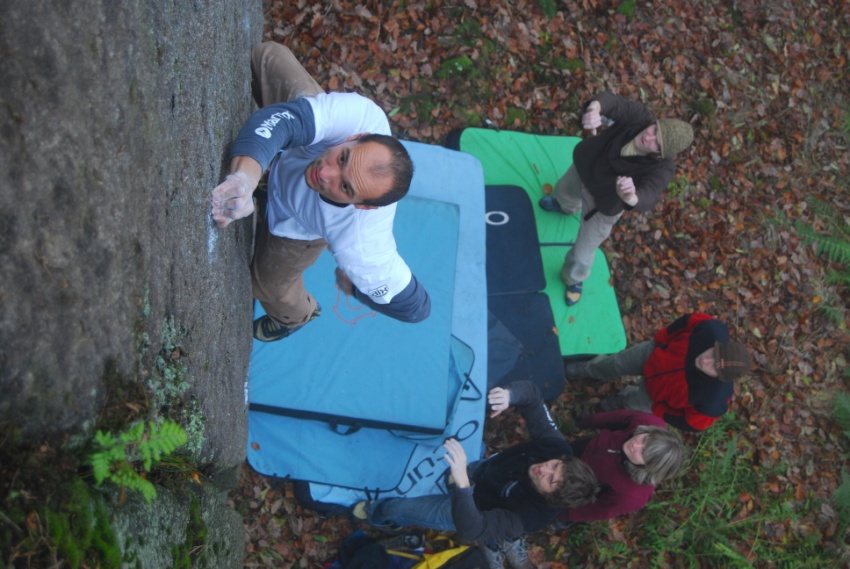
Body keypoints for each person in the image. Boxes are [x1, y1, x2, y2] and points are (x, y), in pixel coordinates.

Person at [211, 42, 430, 342]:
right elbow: (286, 122)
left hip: (298, 223)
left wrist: (357, 290)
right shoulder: (361, 117)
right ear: (357, 136)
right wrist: (244, 178)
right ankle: (268, 174)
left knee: (265, 287)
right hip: (299, 146)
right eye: (342, 158)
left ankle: (296, 316)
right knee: (268, 57)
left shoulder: (363, 248)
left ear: (362, 207)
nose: (325, 174)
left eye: (345, 187)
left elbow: (416, 309)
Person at [352, 380, 600, 569]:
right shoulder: (556, 448)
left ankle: (378, 514)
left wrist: (462, 484)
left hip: (471, 508)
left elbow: (472, 529)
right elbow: (533, 396)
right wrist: (509, 395)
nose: (544, 468)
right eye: (555, 465)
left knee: (403, 509)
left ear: (551, 497)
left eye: (550, 479)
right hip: (482, 471)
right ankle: (456, 479)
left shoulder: (529, 518)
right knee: (460, 455)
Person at [539, 92, 694, 305]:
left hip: (604, 202)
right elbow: (614, 103)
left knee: (582, 254)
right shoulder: (640, 117)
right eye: (654, 130)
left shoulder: (663, 168)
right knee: (564, 191)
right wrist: (595, 108)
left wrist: (631, 196)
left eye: (656, 144)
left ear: (661, 154)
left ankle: (573, 279)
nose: (648, 138)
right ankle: (564, 206)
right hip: (586, 167)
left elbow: (650, 193)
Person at [565, 312, 752, 431]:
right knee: (617, 363)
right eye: (712, 353)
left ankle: (620, 400)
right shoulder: (710, 330)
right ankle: (590, 369)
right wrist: (660, 340)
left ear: (721, 378)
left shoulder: (712, 402)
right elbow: (686, 321)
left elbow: (691, 423)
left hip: (654, 397)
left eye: (714, 367)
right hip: (652, 355)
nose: (705, 361)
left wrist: (659, 409)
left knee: (631, 403)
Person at [561, 410, 685, 523]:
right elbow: (621, 417)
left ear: (647, 467)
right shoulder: (648, 422)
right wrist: (592, 420)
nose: (635, 445)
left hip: (577, 481)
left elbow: (600, 509)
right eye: (644, 440)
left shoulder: (633, 495)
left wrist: (567, 514)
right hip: (588, 446)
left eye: (642, 453)